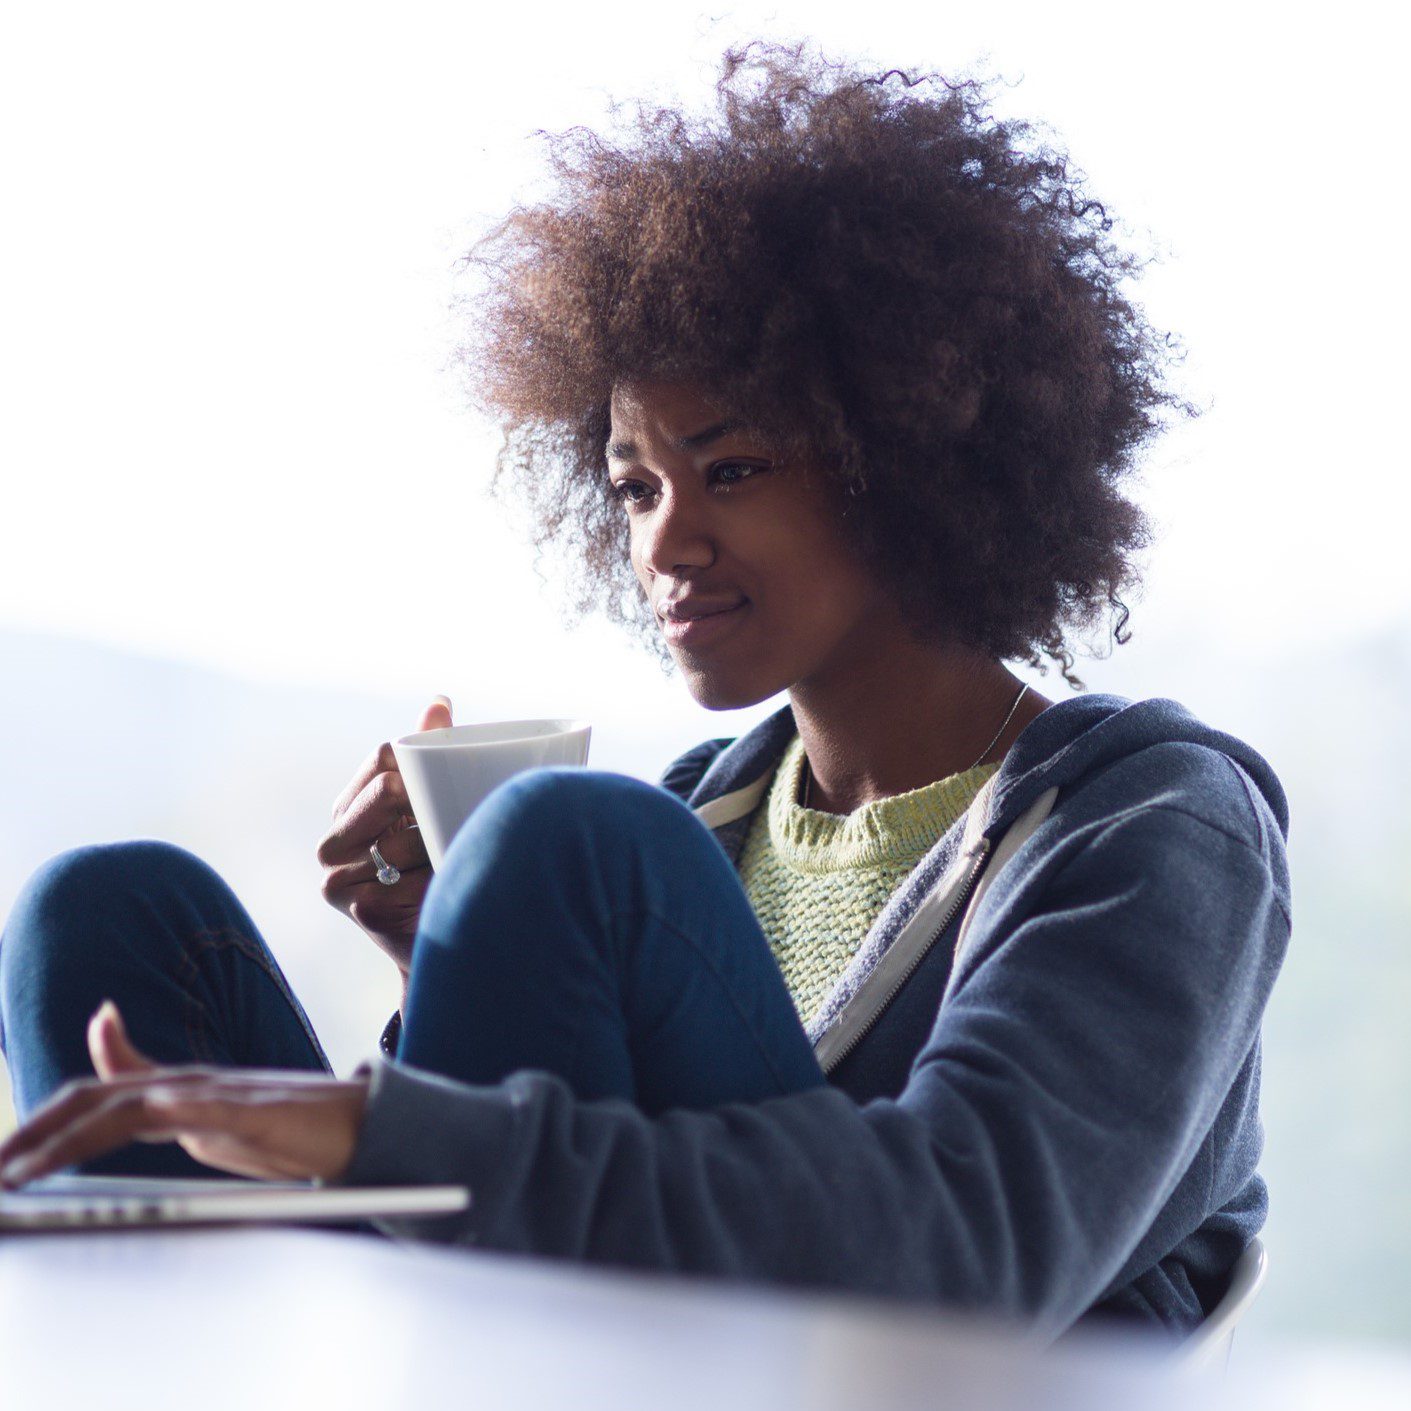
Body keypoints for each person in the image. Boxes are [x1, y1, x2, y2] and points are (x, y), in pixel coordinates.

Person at [0, 40, 1290, 1344]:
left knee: (568, 840)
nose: (663, 545)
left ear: (906, 460)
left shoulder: (1147, 828)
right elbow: (567, 1168)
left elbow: (962, 1250)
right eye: (634, 487)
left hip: (882, 1372)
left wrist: (396, 1121)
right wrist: (453, 953)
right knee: (103, 916)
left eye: (729, 471)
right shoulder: (703, 818)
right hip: (585, 1342)